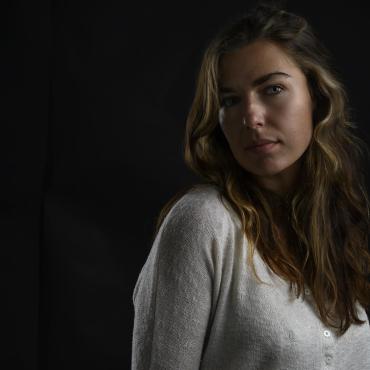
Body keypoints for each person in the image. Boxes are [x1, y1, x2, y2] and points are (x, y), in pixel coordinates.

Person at [131, 2, 370, 369]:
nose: (251, 117)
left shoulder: (344, 225)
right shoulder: (204, 224)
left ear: (316, 96)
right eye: (230, 100)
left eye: (272, 89)